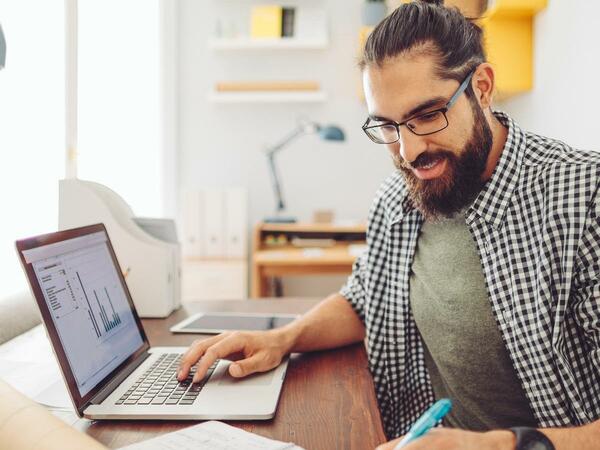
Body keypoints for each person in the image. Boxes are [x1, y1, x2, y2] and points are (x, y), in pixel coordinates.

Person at [178, 1, 600, 448]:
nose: (409, 150)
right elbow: (365, 300)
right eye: (387, 126)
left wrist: (492, 446)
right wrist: (282, 339)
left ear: (482, 86)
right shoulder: (397, 199)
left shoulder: (583, 196)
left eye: (427, 115)